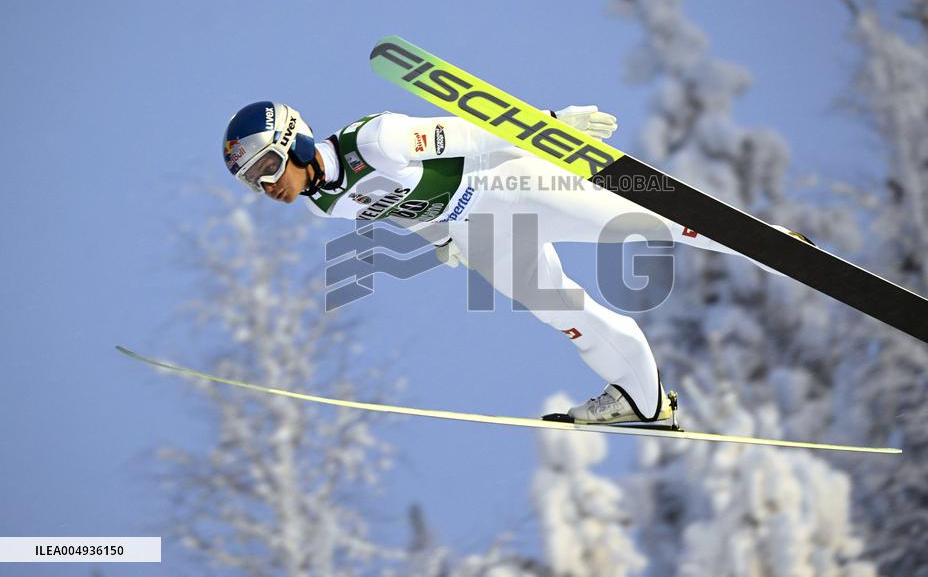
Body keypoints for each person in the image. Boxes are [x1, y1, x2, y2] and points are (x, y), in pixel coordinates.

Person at [223, 101, 801, 425]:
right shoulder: (322, 204)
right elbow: (392, 207)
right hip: (477, 230)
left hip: (508, 183)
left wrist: (552, 124)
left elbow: (471, 134)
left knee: (640, 219)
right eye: (253, 181)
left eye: (267, 166)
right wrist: (438, 237)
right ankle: (640, 397)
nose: (266, 186)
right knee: (560, 310)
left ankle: (773, 247)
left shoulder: (376, 140)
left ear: (295, 142)